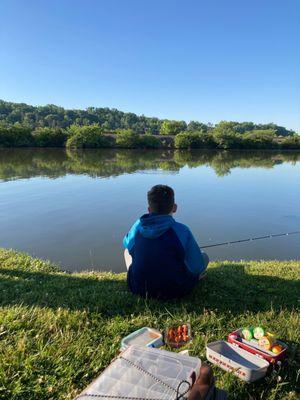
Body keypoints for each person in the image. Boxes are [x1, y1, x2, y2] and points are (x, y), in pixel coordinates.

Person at [123, 184, 209, 299]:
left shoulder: (138, 225)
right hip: (177, 290)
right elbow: (197, 266)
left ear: (149, 210)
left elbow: (127, 243)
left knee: (126, 251)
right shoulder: (182, 230)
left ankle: (137, 275)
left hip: (138, 288)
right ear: (174, 207)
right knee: (204, 257)